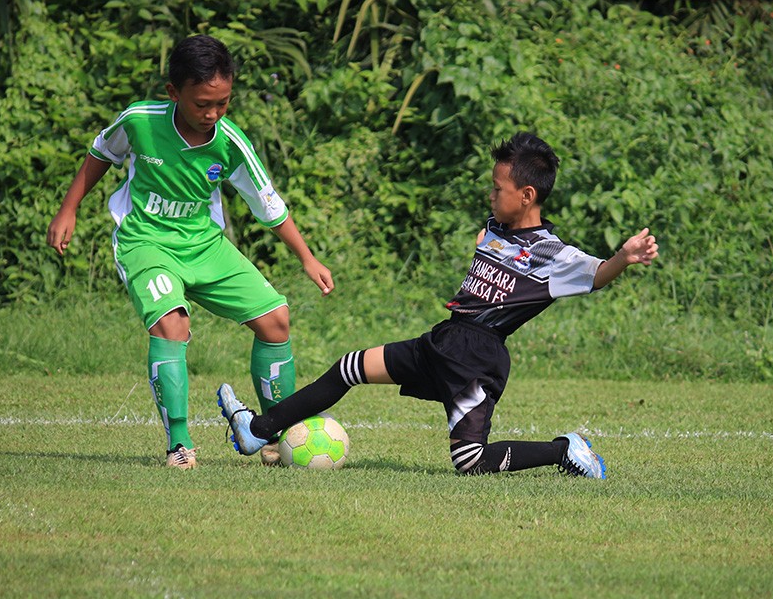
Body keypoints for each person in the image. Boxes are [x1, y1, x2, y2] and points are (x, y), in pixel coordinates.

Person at [216, 132, 657, 479]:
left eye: (497, 187)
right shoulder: (496, 225)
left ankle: (565, 450)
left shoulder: (551, 253)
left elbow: (595, 275)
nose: (490, 194)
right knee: (349, 366)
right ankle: (257, 431)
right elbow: (489, 242)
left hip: (476, 357)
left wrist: (623, 257)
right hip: (446, 339)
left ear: (526, 195)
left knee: (470, 461)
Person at [47, 35, 333, 470]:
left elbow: (267, 204)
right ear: (173, 93)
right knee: (172, 325)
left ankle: (276, 433)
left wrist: (307, 259)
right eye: (202, 104)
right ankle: (179, 445)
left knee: (276, 320)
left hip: (204, 244)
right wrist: (68, 209)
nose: (213, 113)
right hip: (147, 243)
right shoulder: (141, 121)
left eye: (223, 102)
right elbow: (101, 152)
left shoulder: (230, 142)